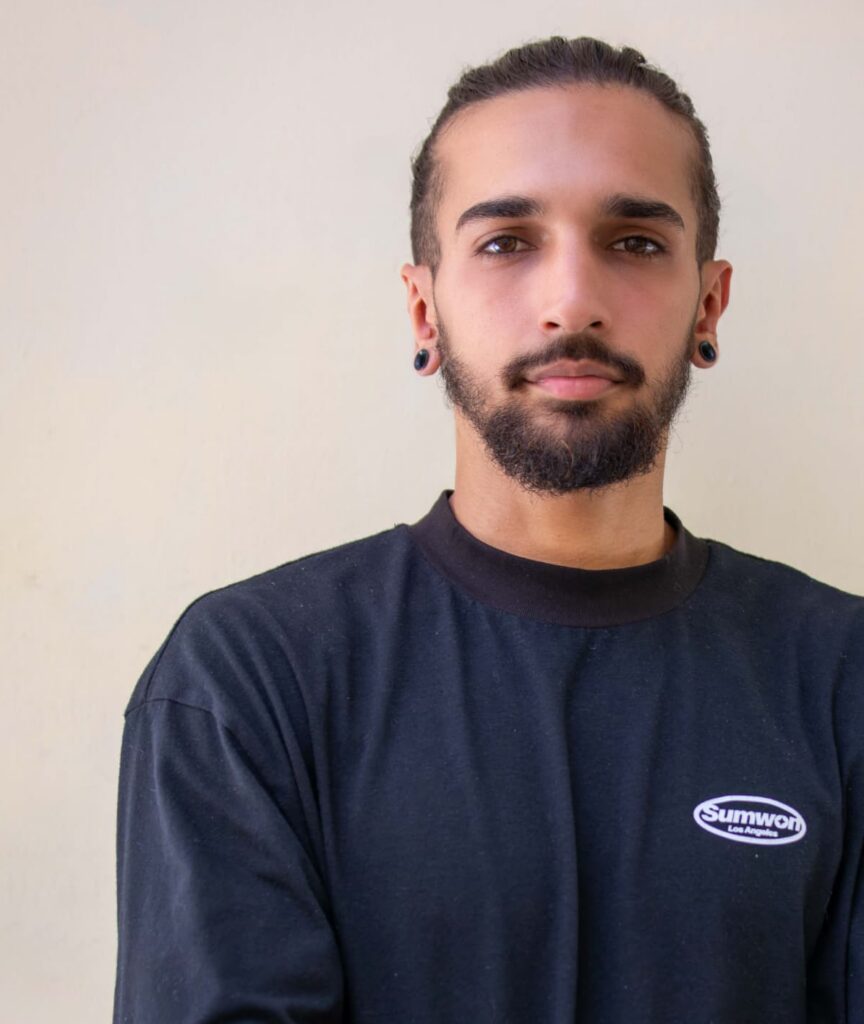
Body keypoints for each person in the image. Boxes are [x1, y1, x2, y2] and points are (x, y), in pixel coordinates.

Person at [113, 36, 863, 1023]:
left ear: (708, 304)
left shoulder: (843, 676)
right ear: (425, 311)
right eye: (507, 242)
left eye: (635, 242)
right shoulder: (250, 681)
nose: (571, 302)